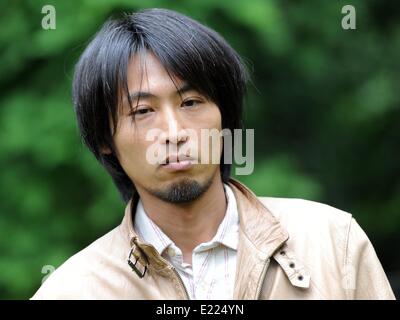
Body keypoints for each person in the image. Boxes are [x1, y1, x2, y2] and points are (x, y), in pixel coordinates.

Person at [31, 8, 394, 300]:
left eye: (191, 102)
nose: (174, 133)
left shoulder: (333, 242)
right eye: (142, 111)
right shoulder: (72, 290)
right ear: (104, 138)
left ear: (225, 117)